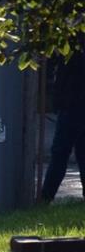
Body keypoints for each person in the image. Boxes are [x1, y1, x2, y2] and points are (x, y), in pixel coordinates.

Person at [39, 39, 85, 204]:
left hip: (72, 103)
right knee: (80, 151)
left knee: (60, 151)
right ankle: (46, 195)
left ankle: (46, 196)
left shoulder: (72, 43)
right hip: (73, 101)